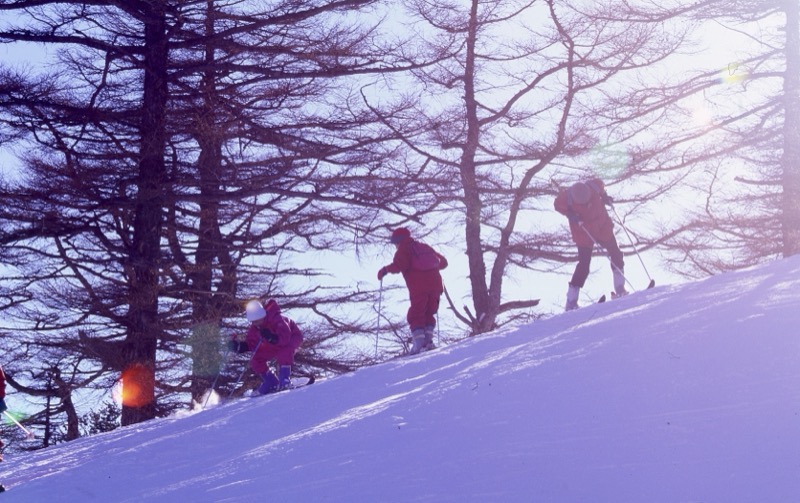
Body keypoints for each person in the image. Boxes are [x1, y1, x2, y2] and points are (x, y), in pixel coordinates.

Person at [554, 178, 626, 311]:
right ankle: (571, 301)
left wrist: (604, 197)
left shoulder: (595, 185)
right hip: (584, 233)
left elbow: (602, 189)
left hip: (602, 226)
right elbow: (557, 206)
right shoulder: (566, 199)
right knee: (584, 266)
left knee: (616, 253)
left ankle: (620, 288)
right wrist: (570, 214)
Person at [377, 228, 448, 354]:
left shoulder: (404, 249)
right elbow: (443, 263)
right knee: (429, 313)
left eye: (395, 243)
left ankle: (419, 344)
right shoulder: (424, 246)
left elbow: (400, 265)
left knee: (416, 313)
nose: (395, 246)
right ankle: (428, 342)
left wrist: (384, 270)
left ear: (398, 241)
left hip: (418, 287)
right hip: (436, 286)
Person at [229, 299, 304, 395]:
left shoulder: (276, 318)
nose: (257, 323)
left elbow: (285, 337)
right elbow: (252, 344)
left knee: (284, 352)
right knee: (256, 360)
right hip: (273, 344)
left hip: (292, 337)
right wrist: (240, 346)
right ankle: (272, 381)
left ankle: (284, 379)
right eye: (254, 322)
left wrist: (272, 337)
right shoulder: (254, 329)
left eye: (259, 320)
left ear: (263, 315)